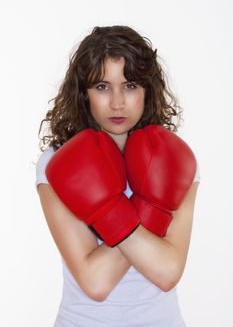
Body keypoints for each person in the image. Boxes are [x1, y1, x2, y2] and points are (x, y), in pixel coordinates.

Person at [35, 25, 200, 327]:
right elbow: (96, 282)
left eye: (131, 85)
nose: (117, 102)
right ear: (83, 94)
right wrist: (151, 209)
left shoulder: (176, 160)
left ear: (147, 91)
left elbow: (167, 272)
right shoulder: (57, 163)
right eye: (101, 87)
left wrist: (115, 210)